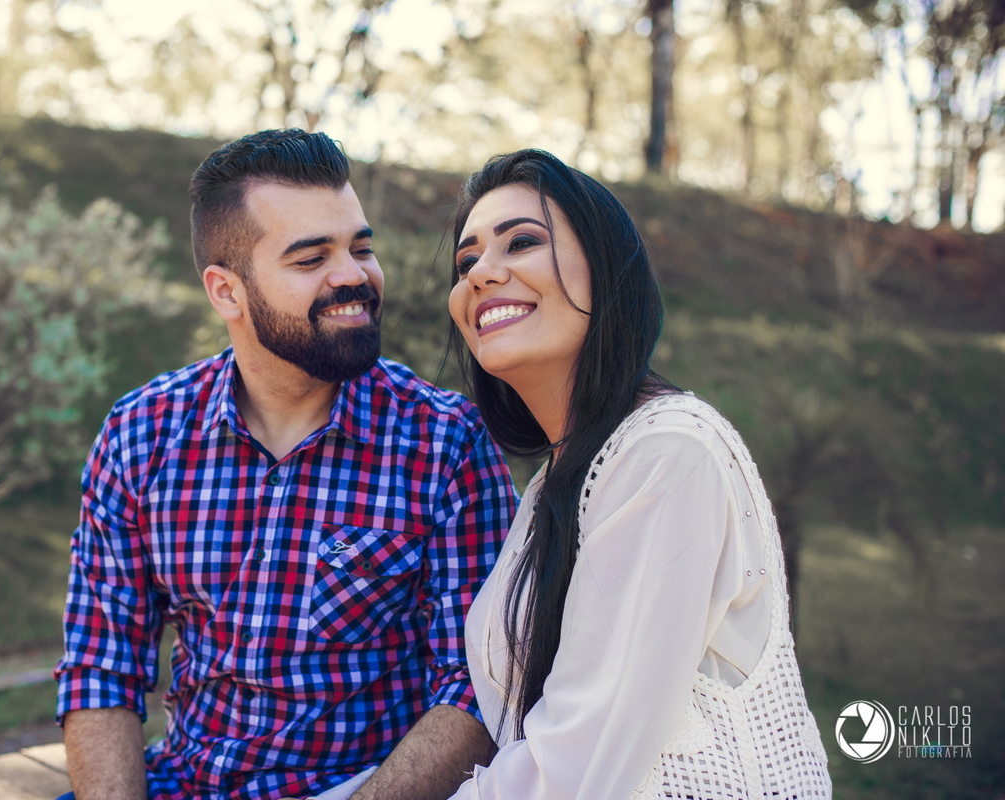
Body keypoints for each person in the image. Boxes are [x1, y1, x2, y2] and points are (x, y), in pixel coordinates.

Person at [55, 129, 516, 800]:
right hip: (183, 782)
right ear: (227, 292)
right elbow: (101, 669)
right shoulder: (140, 436)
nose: (354, 275)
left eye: (361, 248)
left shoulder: (446, 444)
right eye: (311, 258)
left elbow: (478, 689)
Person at [443, 149, 832, 799]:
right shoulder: (551, 488)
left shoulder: (667, 453)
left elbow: (573, 770)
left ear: (604, 270)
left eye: (522, 241)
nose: (482, 272)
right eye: (466, 262)